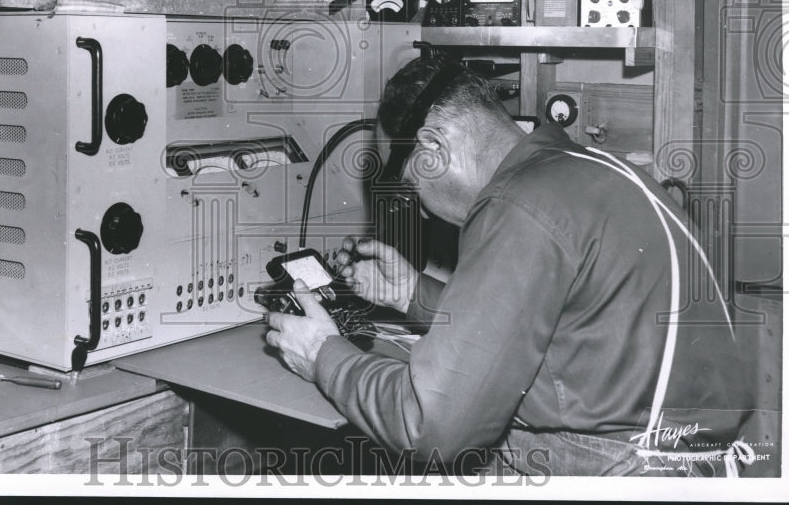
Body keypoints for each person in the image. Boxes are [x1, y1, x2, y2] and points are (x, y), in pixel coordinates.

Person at [264, 56, 757, 477]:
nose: (417, 208)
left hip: (621, 469)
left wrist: (322, 354)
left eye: (410, 185)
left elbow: (430, 427)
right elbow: (556, 338)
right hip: (692, 461)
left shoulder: (517, 205)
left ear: (434, 147)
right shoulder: (591, 170)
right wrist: (412, 294)